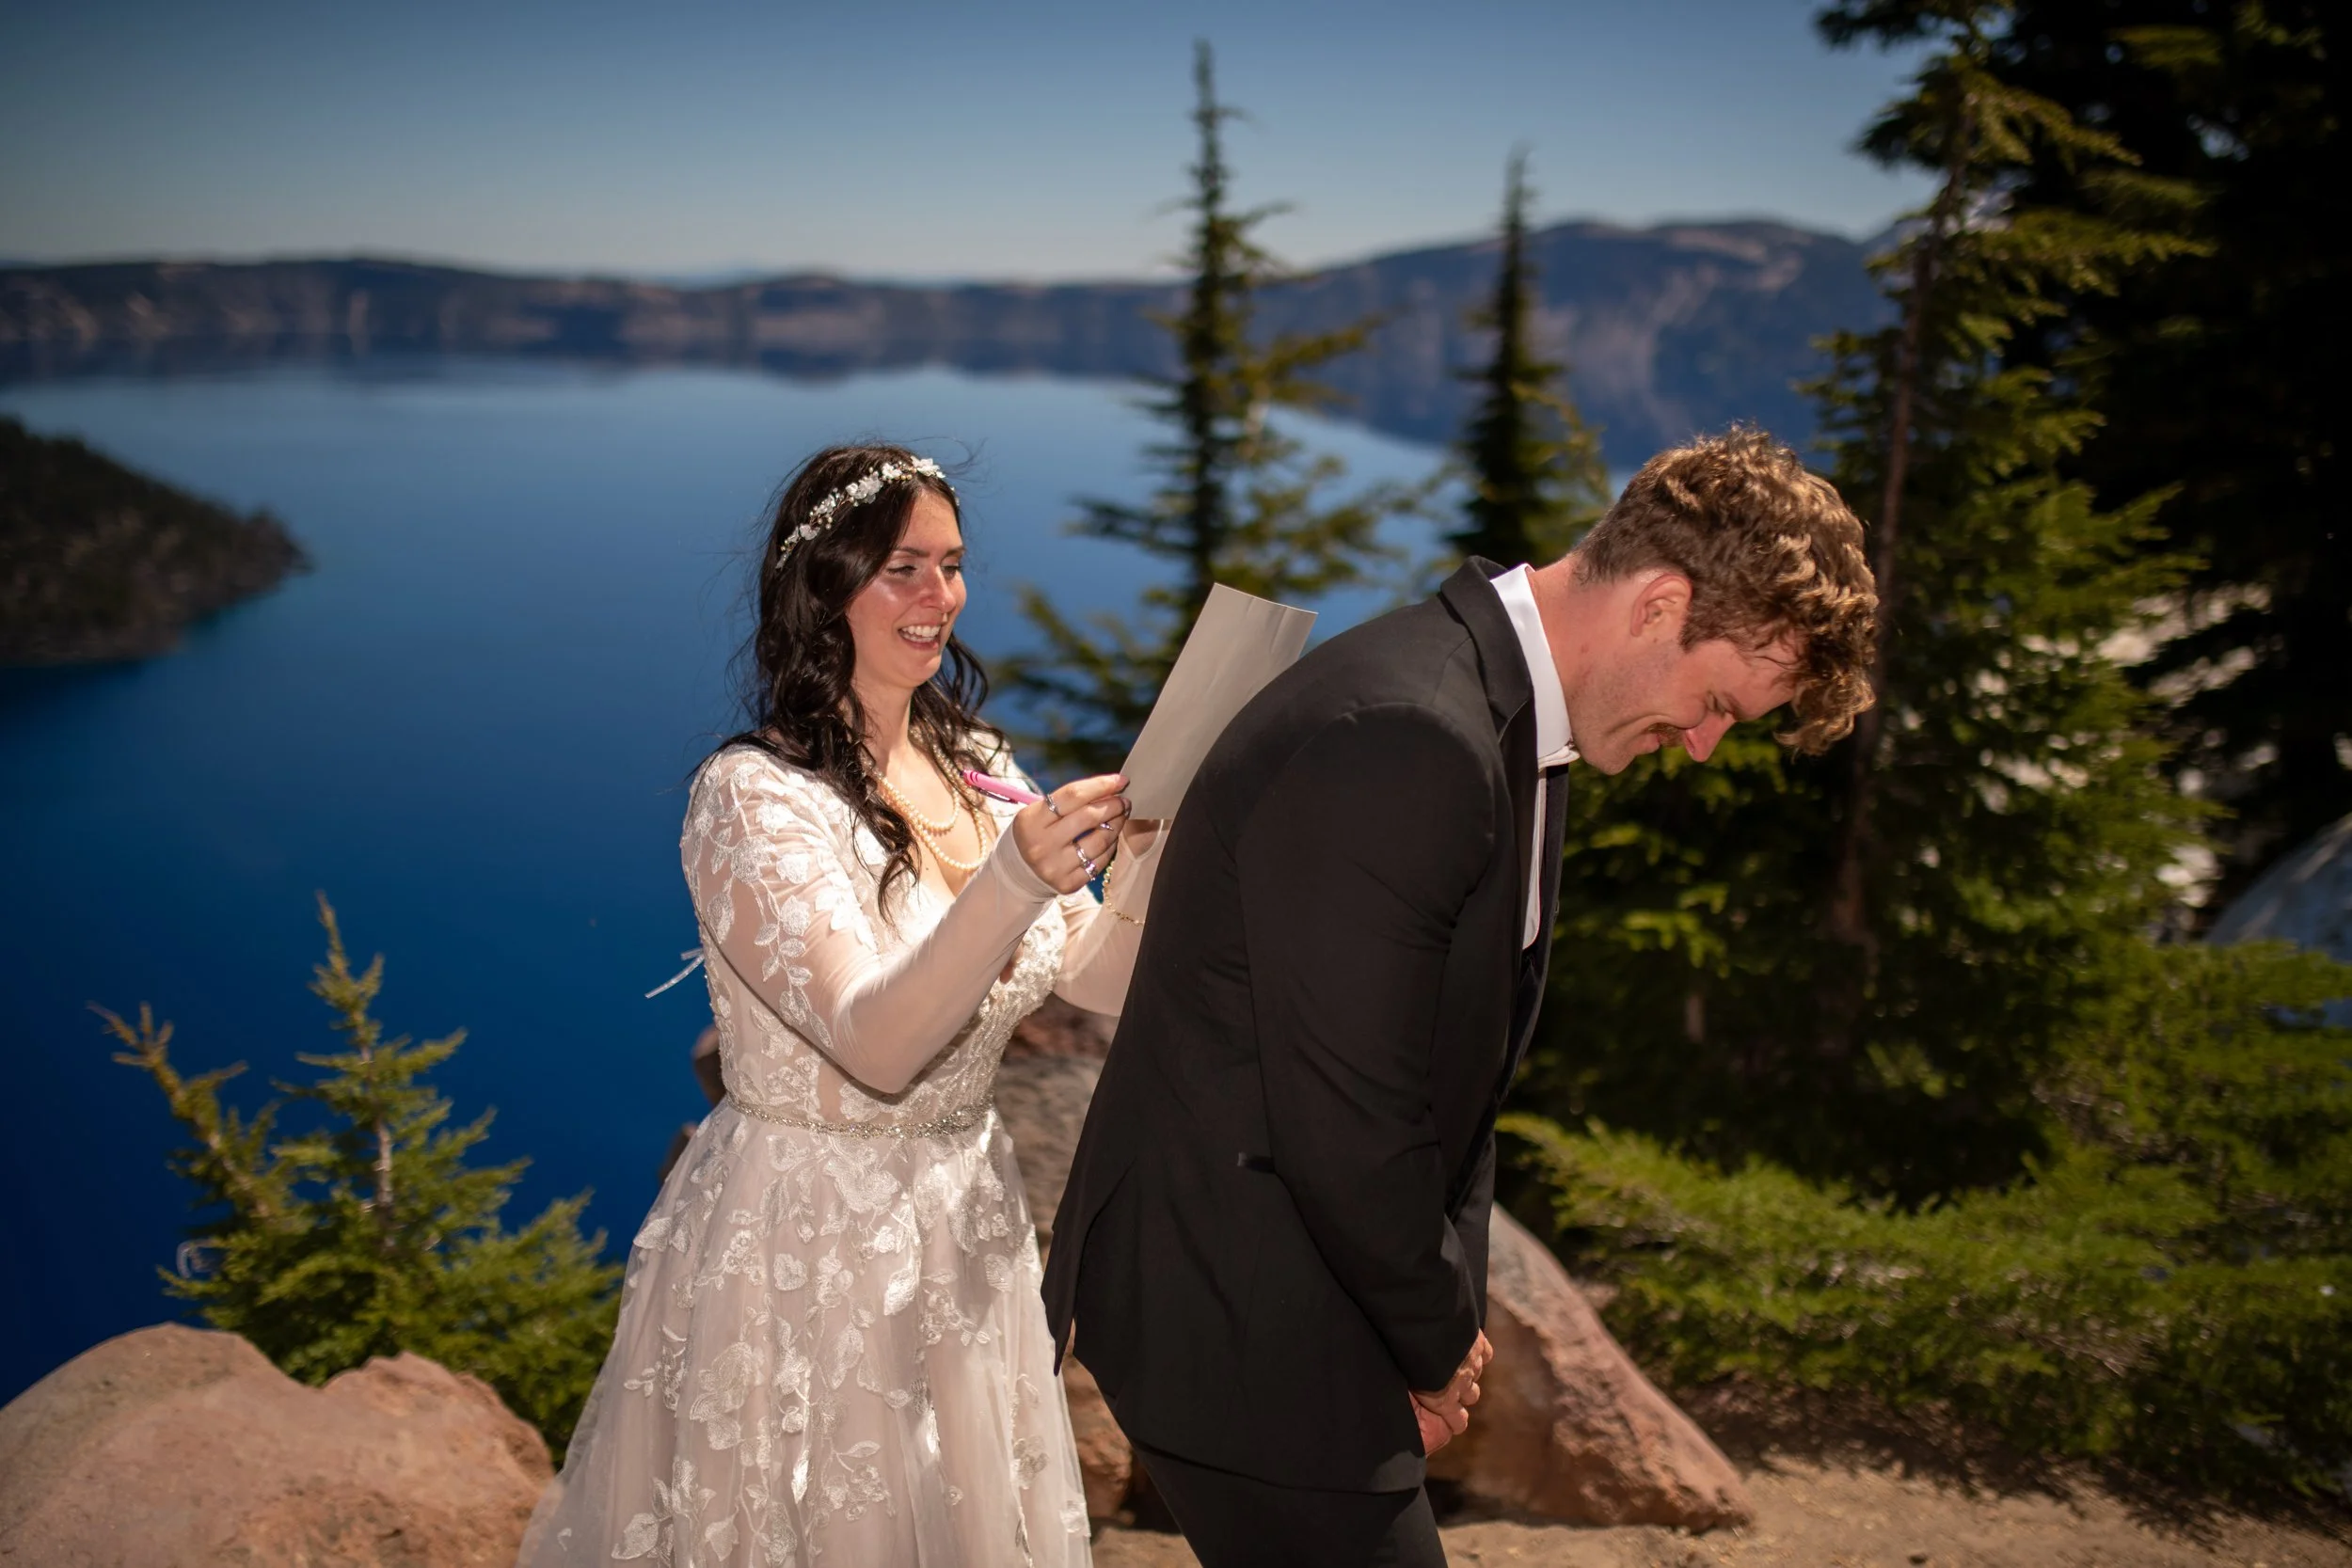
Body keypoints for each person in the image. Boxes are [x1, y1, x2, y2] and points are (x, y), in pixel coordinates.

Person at [1042, 428, 1879, 1568]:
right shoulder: (1408, 732)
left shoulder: (1516, 720)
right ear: (1657, 604)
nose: (1702, 743)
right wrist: (1435, 1342)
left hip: (1314, 1284)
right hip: (1234, 1300)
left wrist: (1446, 1331)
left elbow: (1462, 1076)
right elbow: (1351, 1108)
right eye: (1719, 699)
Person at [526, 444, 1159, 1568]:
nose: (939, 598)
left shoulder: (980, 766)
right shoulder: (754, 797)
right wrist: (1016, 876)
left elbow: (1094, 973)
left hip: (962, 1212)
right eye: (903, 567)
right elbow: (876, 1039)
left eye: (953, 566)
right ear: (825, 582)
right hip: (803, 1238)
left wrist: (1159, 852)